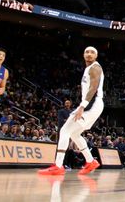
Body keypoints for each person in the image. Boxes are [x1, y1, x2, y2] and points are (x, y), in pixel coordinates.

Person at [39, 47, 104, 175]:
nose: (89, 54)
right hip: (94, 105)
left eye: (92, 52)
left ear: (96, 56)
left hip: (92, 104)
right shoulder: (88, 68)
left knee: (65, 130)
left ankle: (58, 165)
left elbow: (94, 87)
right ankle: (91, 161)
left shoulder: (95, 67)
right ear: (83, 55)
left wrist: (82, 106)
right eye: (87, 52)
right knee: (75, 134)